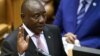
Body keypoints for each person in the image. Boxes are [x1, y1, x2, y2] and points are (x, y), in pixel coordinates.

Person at [0, 0, 67, 56]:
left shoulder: (54, 31)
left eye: (44, 15)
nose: (42, 20)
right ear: (23, 17)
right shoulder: (10, 43)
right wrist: (21, 54)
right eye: (36, 16)